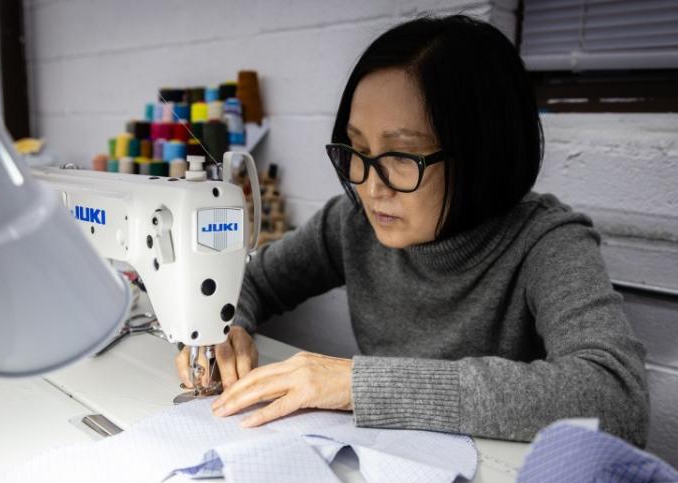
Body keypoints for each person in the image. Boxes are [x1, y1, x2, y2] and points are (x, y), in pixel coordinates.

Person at [176, 14, 649, 447]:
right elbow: (254, 281)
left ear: (482, 155)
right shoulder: (351, 222)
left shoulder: (546, 242)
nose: (370, 186)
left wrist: (356, 384)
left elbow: (615, 396)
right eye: (356, 150)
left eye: (401, 157)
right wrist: (225, 327)